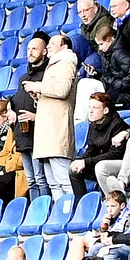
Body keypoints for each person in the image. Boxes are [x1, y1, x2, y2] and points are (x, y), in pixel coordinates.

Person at [24, 31, 78, 200]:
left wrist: (38, 86)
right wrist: (38, 96)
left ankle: (74, 213)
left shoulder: (66, 62)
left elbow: (62, 90)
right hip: (48, 131)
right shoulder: (55, 64)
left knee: (63, 180)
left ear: (64, 46)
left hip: (56, 129)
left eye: (52, 44)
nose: (48, 47)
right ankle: (62, 216)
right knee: (53, 182)